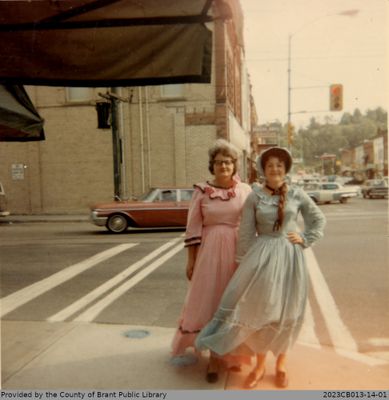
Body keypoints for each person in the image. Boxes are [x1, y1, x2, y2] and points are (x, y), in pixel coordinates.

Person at [195, 146, 326, 388]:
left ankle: (281, 365)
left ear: (285, 168)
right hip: (263, 257)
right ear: (263, 170)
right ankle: (259, 366)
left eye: (279, 164)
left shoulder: (297, 194)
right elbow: (245, 233)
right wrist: (243, 267)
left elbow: (318, 219)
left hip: (290, 258)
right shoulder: (254, 197)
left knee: (288, 311)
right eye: (270, 165)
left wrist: (305, 238)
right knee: (263, 311)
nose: (275, 168)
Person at [171, 139, 252, 382]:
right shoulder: (201, 191)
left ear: (234, 165)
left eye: (228, 162)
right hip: (210, 252)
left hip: (238, 251)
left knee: (236, 302)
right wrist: (191, 260)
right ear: (212, 166)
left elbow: (253, 222)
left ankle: (234, 354)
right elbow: (193, 227)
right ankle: (215, 359)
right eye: (218, 162)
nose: (224, 166)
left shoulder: (245, 190)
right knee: (212, 302)